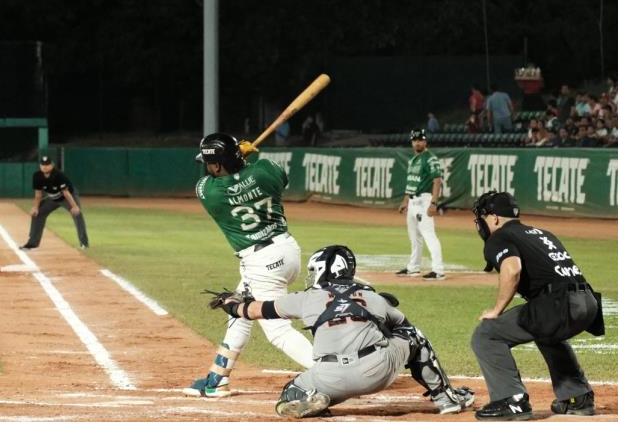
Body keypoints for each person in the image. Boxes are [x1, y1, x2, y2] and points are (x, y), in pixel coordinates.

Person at [208, 245, 475, 418]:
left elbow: (253, 311)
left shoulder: (306, 299)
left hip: (329, 376)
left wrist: (230, 305)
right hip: (377, 371)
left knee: (289, 394)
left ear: (326, 270)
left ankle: (313, 400)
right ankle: (446, 398)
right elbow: (404, 327)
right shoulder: (372, 297)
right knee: (415, 336)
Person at [183, 133, 314, 397]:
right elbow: (277, 176)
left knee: (277, 331)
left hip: (261, 262)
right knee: (239, 311)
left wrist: (239, 160)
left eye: (210, 163)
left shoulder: (209, 191)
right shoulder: (265, 171)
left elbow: (221, 180)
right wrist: (245, 161)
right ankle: (218, 378)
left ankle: (330, 373)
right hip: (287, 251)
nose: (207, 168)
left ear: (217, 165)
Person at [470, 191, 603, 420]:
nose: (481, 224)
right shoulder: (541, 233)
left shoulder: (499, 237)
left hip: (560, 304)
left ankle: (511, 401)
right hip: (589, 303)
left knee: (486, 334)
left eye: (482, 218)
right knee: (546, 331)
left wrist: (496, 310)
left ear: (494, 217)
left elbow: (512, 270)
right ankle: (578, 397)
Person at [397, 129, 445, 280]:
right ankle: (413, 267)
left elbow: (437, 181)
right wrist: (405, 200)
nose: (417, 142)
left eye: (420, 140)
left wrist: (434, 202)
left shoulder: (430, 158)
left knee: (429, 234)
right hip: (412, 201)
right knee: (414, 236)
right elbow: (411, 182)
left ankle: (438, 270)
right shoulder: (413, 160)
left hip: (424, 200)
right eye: (415, 140)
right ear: (412, 142)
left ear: (425, 142)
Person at [20, 156, 89, 250]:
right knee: (37, 213)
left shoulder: (58, 175)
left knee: (77, 214)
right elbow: (38, 194)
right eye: (42, 165)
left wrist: (74, 206)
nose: (44, 167)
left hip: (67, 197)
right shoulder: (37, 176)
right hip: (53, 198)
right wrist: (35, 207)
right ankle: (32, 244)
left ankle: (84, 243)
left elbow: (66, 192)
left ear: (52, 165)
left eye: (47, 164)